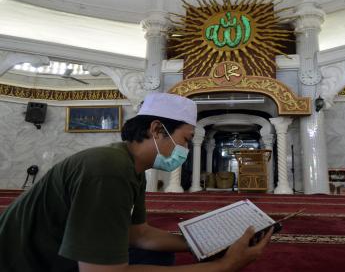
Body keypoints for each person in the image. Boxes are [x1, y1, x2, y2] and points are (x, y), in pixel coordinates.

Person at [0, 92, 273, 272]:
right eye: (186, 139)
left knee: (156, 257)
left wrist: (209, 244)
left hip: (59, 250)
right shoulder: (108, 168)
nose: (187, 149)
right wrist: (225, 265)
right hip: (25, 263)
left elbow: (138, 235)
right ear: (156, 129)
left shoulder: (130, 167)